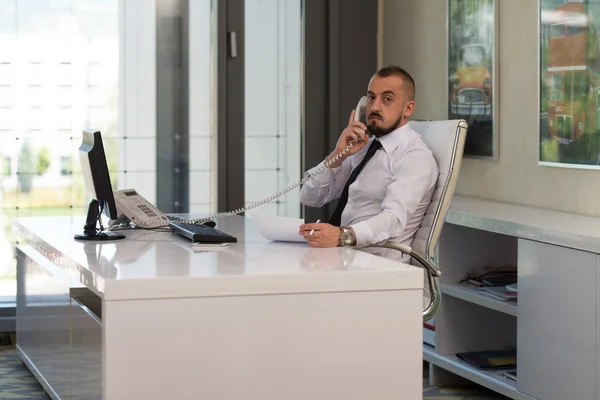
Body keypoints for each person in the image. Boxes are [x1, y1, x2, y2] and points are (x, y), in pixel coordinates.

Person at [298, 65, 438, 263]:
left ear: (408, 108)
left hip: (376, 268)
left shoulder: (415, 157)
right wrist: (337, 156)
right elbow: (309, 196)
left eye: (387, 99)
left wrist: (340, 235)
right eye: (371, 97)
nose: (374, 107)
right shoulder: (364, 148)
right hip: (343, 260)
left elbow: (393, 219)